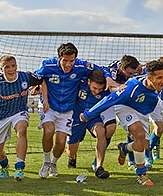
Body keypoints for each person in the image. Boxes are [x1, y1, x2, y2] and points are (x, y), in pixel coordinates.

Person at [80, 59, 163, 186]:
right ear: (149, 78)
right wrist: (87, 115)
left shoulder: (159, 85)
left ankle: (124, 148)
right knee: (140, 135)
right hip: (124, 107)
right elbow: (108, 100)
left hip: (141, 110)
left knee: (142, 145)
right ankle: (141, 174)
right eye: (160, 77)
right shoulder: (131, 88)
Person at [35, 43, 113, 178]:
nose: (68, 64)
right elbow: (37, 78)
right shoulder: (48, 65)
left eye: (72, 61)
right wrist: (38, 90)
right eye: (65, 60)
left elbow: (102, 69)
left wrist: (108, 78)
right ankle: (46, 161)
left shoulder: (81, 67)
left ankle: (54, 163)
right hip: (50, 106)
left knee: (61, 141)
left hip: (68, 110)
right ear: (59, 57)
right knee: (49, 130)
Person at [68, 68, 113, 179]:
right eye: (94, 88)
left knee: (101, 131)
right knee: (71, 150)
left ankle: (99, 167)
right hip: (76, 118)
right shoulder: (80, 82)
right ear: (88, 81)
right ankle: (72, 158)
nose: (97, 91)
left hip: (93, 117)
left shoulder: (106, 90)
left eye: (100, 89)